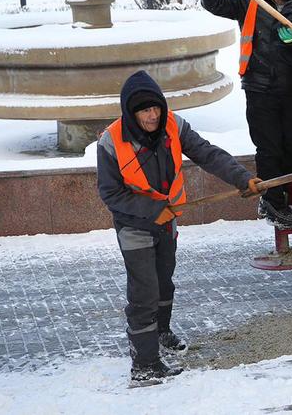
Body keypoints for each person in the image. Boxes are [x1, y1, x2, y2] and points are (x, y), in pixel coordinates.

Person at [97, 70, 262, 386]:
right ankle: (144, 365)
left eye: (156, 107)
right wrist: (152, 211)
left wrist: (242, 178)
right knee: (143, 293)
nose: (153, 115)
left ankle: (161, 332)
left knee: (163, 282)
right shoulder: (111, 142)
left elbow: (207, 153)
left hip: (167, 221)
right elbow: (110, 193)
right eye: (145, 110)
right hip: (134, 226)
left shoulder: (174, 125)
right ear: (130, 113)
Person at [200, 0, 292, 223]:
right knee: (268, 148)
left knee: (289, 146)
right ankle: (272, 202)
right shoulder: (249, 0)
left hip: (291, 87)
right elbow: (213, 3)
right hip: (259, 88)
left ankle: (284, 198)